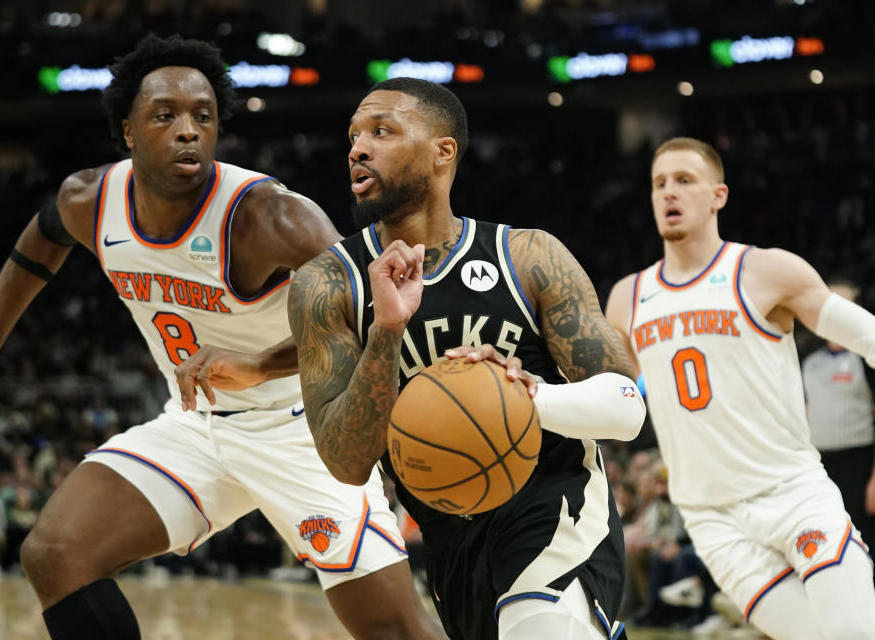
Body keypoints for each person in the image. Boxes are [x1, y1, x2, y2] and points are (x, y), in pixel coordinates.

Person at [0, 34, 444, 640]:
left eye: (204, 116)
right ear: (128, 131)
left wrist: (258, 363)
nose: (187, 130)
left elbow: (367, 317)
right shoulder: (90, 200)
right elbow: (40, 241)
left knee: (391, 629)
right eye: (165, 115)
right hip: (196, 424)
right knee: (55, 553)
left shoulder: (270, 216)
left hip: (304, 428)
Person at [287, 77, 646, 640]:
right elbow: (347, 462)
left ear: (442, 152)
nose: (358, 147)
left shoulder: (528, 256)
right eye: (354, 135)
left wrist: (522, 397)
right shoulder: (327, 285)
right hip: (450, 541)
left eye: (382, 131)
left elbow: (627, 407)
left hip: (555, 509)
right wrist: (386, 331)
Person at [604, 136, 875, 639]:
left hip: (791, 493)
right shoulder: (626, 299)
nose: (669, 193)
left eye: (684, 180)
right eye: (659, 183)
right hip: (712, 519)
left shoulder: (766, 271)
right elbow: (609, 394)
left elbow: (867, 336)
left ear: (718, 196)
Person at [801, 280, 875, 569]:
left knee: (865, 537)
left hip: (860, 461)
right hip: (821, 465)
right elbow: (803, 417)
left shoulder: (866, 357)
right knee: (830, 539)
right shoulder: (808, 359)